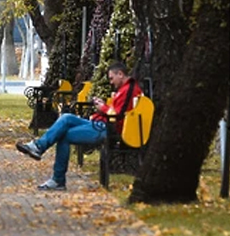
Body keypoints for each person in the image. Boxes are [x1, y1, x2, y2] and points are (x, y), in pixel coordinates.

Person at [15, 61, 143, 191]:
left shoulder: (129, 89)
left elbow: (119, 114)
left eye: (111, 78)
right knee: (66, 118)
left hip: (107, 128)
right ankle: (39, 147)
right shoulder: (125, 89)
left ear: (120, 74)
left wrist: (103, 107)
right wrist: (103, 106)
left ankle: (56, 178)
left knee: (63, 135)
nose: (111, 82)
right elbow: (118, 111)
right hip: (101, 123)